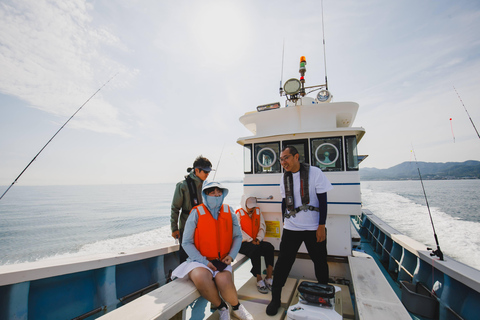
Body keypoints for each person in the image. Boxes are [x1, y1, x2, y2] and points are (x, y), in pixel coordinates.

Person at [266, 145, 333, 316]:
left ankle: (324, 297)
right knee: (282, 264)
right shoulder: (284, 177)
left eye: (286, 158)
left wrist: (321, 226)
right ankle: (275, 300)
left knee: (320, 262)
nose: (283, 162)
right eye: (281, 159)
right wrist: (284, 222)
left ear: (296, 157)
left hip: (313, 227)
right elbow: (283, 201)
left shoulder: (315, 173)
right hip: (292, 227)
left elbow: (323, 201)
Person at [172, 181, 254, 320]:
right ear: (205, 194)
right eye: (212, 192)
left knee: (224, 281)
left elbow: (238, 236)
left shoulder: (229, 211)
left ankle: (236, 307)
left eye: (219, 192)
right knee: (201, 278)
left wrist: (231, 255)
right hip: (199, 260)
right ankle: (222, 307)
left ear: (223, 194)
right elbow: (186, 242)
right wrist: (203, 260)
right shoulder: (196, 213)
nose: (216, 195)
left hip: (222, 259)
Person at [171, 155, 212, 263]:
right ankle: (183, 277)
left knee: (201, 254)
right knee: (185, 255)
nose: (208, 174)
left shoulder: (207, 185)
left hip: (202, 226)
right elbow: (175, 208)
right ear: (197, 170)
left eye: (209, 172)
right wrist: (174, 228)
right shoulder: (182, 186)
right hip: (186, 227)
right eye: (205, 171)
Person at [236, 196, 274, 294]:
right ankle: (259, 278)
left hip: (255, 241)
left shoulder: (257, 212)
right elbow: (238, 231)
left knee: (269, 247)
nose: (252, 209)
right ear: (244, 205)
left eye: (253, 207)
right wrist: (249, 240)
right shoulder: (238, 214)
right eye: (249, 207)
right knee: (255, 249)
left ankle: (269, 277)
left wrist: (258, 239)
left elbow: (262, 226)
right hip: (243, 243)